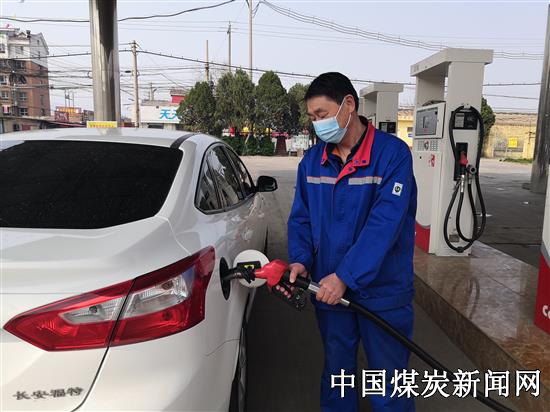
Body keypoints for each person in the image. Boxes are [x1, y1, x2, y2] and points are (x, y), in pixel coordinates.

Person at [284, 72, 417, 412]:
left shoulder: (392, 156)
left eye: (322, 114)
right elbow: (301, 218)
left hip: (382, 291)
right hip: (328, 290)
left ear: (349, 105)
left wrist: (345, 276)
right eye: (313, 117)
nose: (317, 124)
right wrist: (300, 260)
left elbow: (385, 225)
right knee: (337, 374)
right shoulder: (312, 162)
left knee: (388, 381)